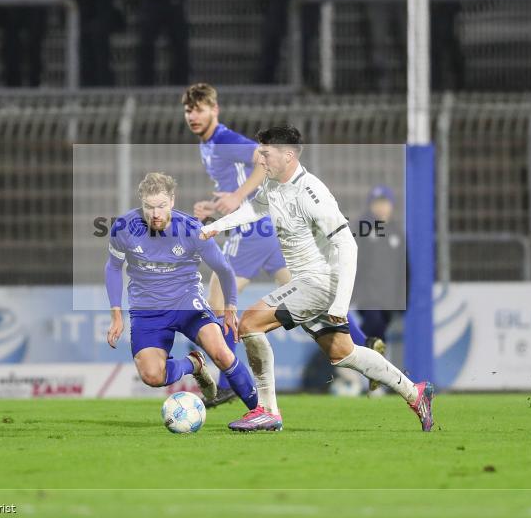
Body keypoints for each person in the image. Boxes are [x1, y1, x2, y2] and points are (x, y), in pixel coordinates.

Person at [201, 126, 434, 432]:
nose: (261, 160)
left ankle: (267, 410)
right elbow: (254, 209)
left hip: (319, 283)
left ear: (288, 155)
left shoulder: (312, 192)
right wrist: (216, 226)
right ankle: (415, 392)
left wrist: (340, 303)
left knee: (249, 323)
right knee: (343, 353)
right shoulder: (273, 186)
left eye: (266, 153)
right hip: (306, 282)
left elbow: (348, 245)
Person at [183, 83, 378, 405]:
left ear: (214, 110)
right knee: (308, 295)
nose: (193, 115)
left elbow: (262, 163)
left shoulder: (224, 139)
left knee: (217, 304)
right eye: (189, 109)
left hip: (251, 235)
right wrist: (217, 207)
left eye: (199, 109)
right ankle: (364, 346)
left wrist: (236, 197)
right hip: (272, 230)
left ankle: (230, 381)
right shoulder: (207, 145)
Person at [105, 172, 259, 413]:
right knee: (152, 376)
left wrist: (230, 308)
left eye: (161, 206)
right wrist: (116, 313)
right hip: (148, 312)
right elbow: (113, 267)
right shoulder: (123, 228)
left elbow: (224, 269)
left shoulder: (191, 230)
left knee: (221, 353)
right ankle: (194, 364)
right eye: (149, 207)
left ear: (172, 201)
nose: (155, 214)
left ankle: (259, 412)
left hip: (188, 303)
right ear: (141, 203)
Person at [353, 185, 408, 391]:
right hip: (368, 295)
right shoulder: (363, 227)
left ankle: (373, 380)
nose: (381, 208)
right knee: (373, 325)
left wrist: (405, 297)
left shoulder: (397, 233)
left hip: (390, 298)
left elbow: (404, 268)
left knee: (380, 336)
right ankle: (354, 362)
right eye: (377, 203)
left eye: (385, 203)